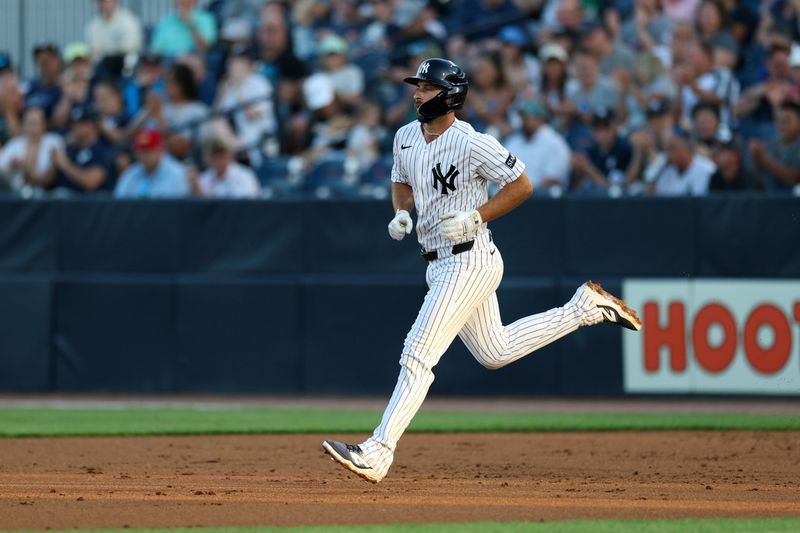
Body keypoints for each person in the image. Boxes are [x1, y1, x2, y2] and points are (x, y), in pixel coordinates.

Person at [320, 58, 642, 484]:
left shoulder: (472, 142)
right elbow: (402, 181)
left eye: (427, 87)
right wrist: (402, 212)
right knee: (495, 351)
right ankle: (584, 308)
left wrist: (477, 216)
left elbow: (523, 184)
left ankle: (378, 452)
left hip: (469, 258)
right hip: (437, 263)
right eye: (417, 86)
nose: (417, 93)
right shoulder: (404, 136)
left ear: (450, 95)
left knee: (418, 352)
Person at [503, 100, 571, 192]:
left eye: (529, 118)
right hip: (515, 195)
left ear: (541, 119)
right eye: (523, 118)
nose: (524, 121)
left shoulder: (555, 142)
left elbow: (554, 179)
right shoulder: (514, 140)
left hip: (543, 199)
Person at [0, 106, 63, 192]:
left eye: (36, 123)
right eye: (29, 123)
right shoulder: (14, 144)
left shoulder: (54, 142)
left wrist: (25, 169)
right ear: (23, 125)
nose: (32, 128)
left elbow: (48, 180)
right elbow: (2, 172)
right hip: (15, 194)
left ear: (44, 124)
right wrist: (10, 167)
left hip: (46, 196)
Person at [51, 105, 113, 193]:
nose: (75, 128)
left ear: (92, 125)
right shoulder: (71, 149)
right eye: (74, 124)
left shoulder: (102, 150)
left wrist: (64, 164)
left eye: (81, 124)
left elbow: (91, 182)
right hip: (61, 199)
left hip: (87, 203)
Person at [113, 128, 190, 198]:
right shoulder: (131, 173)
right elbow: (119, 202)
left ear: (160, 150)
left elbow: (176, 208)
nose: (143, 156)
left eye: (148, 151)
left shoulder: (177, 174)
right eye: (140, 152)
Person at [643, 128, 716, 196]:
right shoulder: (665, 170)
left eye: (672, 148)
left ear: (687, 148)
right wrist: (657, 166)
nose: (668, 154)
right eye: (666, 149)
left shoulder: (707, 169)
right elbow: (649, 194)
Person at [748, 101, 800, 192]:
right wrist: (755, 157)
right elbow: (758, 178)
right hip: (770, 200)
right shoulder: (773, 141)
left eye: (787, 121)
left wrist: (763, 158)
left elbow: (792, 178)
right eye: (779, 120)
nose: (782, 125)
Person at [85, 0, 143, 77]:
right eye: (100, 2)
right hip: (104, 63)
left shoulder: (128, 20)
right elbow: (94, 50)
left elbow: (130, 48)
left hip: (124, 61)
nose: (103, 5)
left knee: (131, 59)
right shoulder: (94, 25)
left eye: (105, 1)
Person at [190, 137, 260, 198]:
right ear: (208, 159)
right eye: (215, 157)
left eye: (222, 156)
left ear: (230, 156)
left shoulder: (244, 176)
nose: (219, 161)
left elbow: (244, 205)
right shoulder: (205, 178)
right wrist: (197, 190)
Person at [150, 0, 217, 58]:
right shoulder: (165, 21)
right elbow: (155, 50)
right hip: (166, 60)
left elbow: (205, 48)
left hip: (191, 60)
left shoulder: (206, 19)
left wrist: (191, 24)